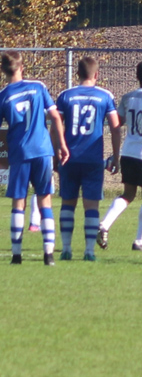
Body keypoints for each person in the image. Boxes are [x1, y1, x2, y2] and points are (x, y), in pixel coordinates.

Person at [0, 50, 69, 265]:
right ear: (22, 68)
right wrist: (62, 145)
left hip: (20, 151)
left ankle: (17, 255)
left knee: (18, 202)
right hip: (42, 149)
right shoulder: (38, 87)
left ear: (3, 71)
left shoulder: (3, 95)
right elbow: (56, 116)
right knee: (45, 200)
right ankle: (48, 255)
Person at [55, 56, 121, 261]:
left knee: (68, 203)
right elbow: (116, 127)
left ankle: (66, 249)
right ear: (96, 75)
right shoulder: (105, 96)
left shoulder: (65, 95)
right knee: (91, 205)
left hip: (69, 157)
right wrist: (116, 156)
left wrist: (56, 151)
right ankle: (89, 252)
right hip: (93, 159)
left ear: (77, 74)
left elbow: (56, 126)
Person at [97, 61, 142, 253]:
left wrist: (115, 155)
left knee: (128, 194)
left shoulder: (128, 97)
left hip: (128, 151)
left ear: (137, 77)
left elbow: (118, 122)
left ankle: (105, 224)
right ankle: (140, 240)